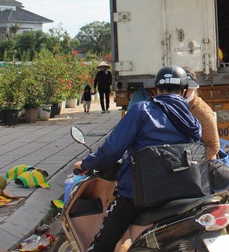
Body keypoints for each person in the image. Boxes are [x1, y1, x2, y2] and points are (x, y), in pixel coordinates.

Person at [74, 65, 207, 251]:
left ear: (157, 89)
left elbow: (112, 149)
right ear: (184, 91)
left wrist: (87, 163)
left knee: (104, 242)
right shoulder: (192, 121)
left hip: (138, 195)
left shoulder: (141, 110)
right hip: (183, 193)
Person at [184, 69, 220, 160]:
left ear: (195, 88)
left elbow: (213, 147)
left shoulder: (202, 112)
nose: (183, 91)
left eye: (188, 87)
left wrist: (190, 161)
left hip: (200, 167)